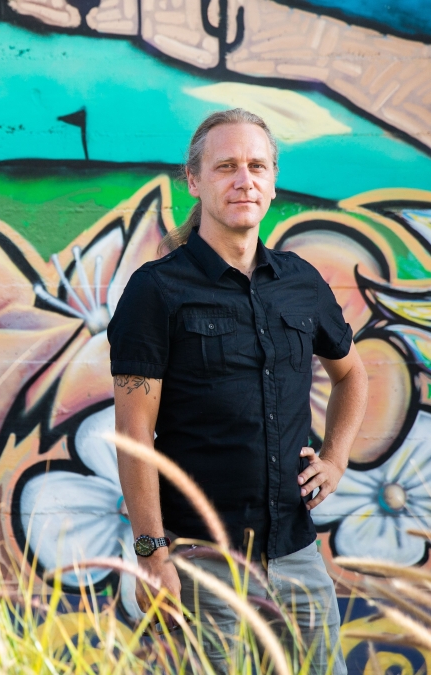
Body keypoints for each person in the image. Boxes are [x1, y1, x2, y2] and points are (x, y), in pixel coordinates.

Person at [108, 108, 368, 674]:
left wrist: (336, 457)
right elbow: (133, 434)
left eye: (256, 165)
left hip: (295, 547)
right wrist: (152, 555)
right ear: (195, 183)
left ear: (273, 182)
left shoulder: (301, 282)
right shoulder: (156, 291)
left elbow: (352, 375)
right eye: (225, 166)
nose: (243, 179)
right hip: (202, 558)